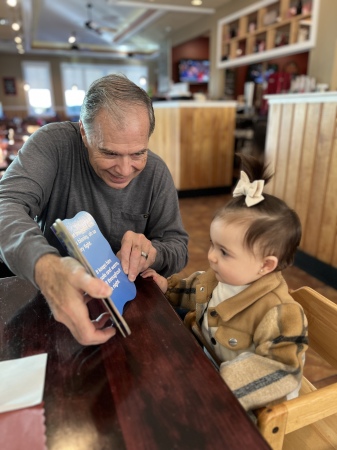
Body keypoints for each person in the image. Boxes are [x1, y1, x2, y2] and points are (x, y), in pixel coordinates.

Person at [0, 74, 188, 345]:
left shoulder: (156, 173)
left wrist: (151, 253)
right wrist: (47, 268)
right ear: (84, 133)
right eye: (110, 153)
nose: (125, 170)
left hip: (127, 315)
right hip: (47, 305)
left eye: (138, 153)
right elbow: (6, 204)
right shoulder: (53, 146)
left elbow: (178, 246)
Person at [142, 154, 308, 413]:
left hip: (250, 404)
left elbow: (283, 371)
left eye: (224, 252)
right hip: (206, 364)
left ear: (266, 265)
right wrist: (166, 286)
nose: (211, 256)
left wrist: (218, 385)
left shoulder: (280, 312)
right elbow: (193, 290)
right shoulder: (219, 277)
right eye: (212, 244)